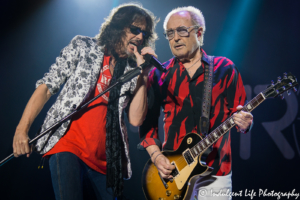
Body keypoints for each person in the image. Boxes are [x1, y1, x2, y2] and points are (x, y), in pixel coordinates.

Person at [12, 3, 158, 200]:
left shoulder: (134, 70)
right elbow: (47, 87)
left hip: (106, 160)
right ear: (118, 26)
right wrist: (22, 129)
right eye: (135, 29)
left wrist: (144, 75)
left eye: (144, 33)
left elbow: (135, 119)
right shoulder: (84, 46)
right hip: (67, 145)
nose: (140, 37)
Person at [139, 6, 253, 199]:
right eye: (170, 33)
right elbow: (147, 124)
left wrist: (246, 123)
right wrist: (157, 157)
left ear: (199, 32)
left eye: (182, 31)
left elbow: (241, 114)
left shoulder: (224, 68)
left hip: (216, 173)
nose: (175, 38)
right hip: (174, 174)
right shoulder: (159, 74)